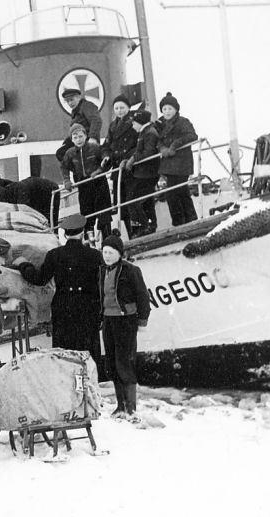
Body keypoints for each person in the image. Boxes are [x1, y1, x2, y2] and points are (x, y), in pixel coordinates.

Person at [14, 214, 104, 376]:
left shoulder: (55, 255)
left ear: (65, 234)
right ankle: (92, 385)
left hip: (64, 307)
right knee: (89, 350)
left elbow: (39, 279)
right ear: (82, 232)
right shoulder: (96, 255)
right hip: (88, 306)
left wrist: (23, 265)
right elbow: (102, 284)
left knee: (65, 352)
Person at [100, 234, 150, 418]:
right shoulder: (102, 271)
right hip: (108, 320)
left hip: (125, 320)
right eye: (104, 252)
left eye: (110, 253)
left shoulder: (131, 270)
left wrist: (142, 320)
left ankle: (131, 407)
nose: (106, 256)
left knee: (125, 362)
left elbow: (142, 295)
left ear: (119, 253)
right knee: (111, 363)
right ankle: (120, 405)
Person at [155, 92, 198, 226]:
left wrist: (174, 145)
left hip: (181, 162)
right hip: (169, 165)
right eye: (164, 109)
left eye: (170, 109)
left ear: (176, 109)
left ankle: (182, 221)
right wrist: (162, 148)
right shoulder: (160, 123)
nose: (167, 112)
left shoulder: (183, 122)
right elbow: (158, 140)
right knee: (178, 192)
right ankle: (188, 220)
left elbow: (192, 136)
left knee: (175, 192)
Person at [61, 123, 111, 235]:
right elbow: (64, 166)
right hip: (83, 185)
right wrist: (66, 180)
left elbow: (106, 157)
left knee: (104, 214)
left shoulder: (95, 148)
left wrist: (100, 170)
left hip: (99, 183)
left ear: (85, 136)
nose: (78, 140)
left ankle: (107, 238)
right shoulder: (70, 153)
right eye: (75, 137)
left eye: (80, 136)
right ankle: (89, 240)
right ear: (72, 139)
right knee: (87, 214)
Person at [100, 96, 139, 233]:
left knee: (131, 201)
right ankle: (130, 232)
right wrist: (106, 157)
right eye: (116, 108)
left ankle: (137, 231)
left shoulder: (135, 122)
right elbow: (107, 146)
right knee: (121, 204)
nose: (119, 110)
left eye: (122, 107)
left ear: (128, 108)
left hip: (131, 168)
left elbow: (140, 144)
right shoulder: (113, 125)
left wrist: (129, 158)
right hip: (118, 170)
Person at [126, 110, 160, 236]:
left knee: (132, 199)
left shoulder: (149, 133)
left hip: (148, 173)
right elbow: (140, 150)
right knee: (145, 200)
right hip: (143, 173)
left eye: (134, 123)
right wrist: (129, 158)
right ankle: (149, 225)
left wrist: (134, 159)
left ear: (140, 123)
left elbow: (149, 153)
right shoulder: (145, 132)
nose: (133, 126)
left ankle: (144, 226)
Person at [55, 88, 103, 161]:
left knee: (63, 153)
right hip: (78, 140)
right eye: (67, 101)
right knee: (62, 153)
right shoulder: (76, 111)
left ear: (78, 97)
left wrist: (93, 138)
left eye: (72, 100)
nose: (70, 103)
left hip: (86, 140)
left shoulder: (86, 106)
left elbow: (96, 120)